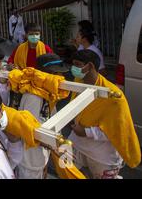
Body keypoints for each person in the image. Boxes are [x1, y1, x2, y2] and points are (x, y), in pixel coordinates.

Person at [68, 50, 135, 179]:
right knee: (64, 166)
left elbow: (117, 131)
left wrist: (86, 132)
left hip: (102, 155)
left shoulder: (114, 96)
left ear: (90, 66)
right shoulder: (77, 83)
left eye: (77, 64)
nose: (73, 68)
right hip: (77, 144)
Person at [16, 53, 69, 179]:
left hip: (41, 156)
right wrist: (54, 146)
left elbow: (53, 119)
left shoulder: (47, 93)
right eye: (57, 74)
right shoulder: (33, 97)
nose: (61, 77)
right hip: (30, 161)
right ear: (45, 73)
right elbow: (31, 130)